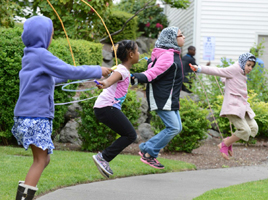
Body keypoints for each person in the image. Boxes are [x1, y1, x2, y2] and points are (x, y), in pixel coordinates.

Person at [11, 16, 112, 200]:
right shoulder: (41, 55)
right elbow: (69, 71)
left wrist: (83, 77)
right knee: (40, 160)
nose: (51, 38)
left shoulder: (31, 55)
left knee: (43, 160)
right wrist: (97, 70)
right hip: (36, 117)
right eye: (51, 34)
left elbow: (54, 78)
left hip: (28, 115)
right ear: (42, 35)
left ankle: (25, 193)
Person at [131, 26, 185, 169]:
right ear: (172, 39)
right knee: (173, 127)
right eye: (180, 35)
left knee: (177, 127)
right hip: (163, 98)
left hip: (171, 99)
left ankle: (149, 151)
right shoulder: (168, 55)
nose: (183, 37)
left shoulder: (172, 53)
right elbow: (152, 74)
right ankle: (148, 150)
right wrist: (134, 78)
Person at [191, 52, 259, 160]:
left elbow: (229, 78)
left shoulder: (242, 72)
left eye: (252, 66)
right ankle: (224, 144)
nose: (250, 68)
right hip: (233, 107)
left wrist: (225, 80)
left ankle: (229, 141)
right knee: (245, 130)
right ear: (242, 63)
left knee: (254, 128)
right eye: (248, 65)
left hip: (243, 107)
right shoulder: (235, 69)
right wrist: (199, 68)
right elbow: (218, 71)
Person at [92, 40, 139, 178]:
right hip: (107, 107)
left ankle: (104, 157)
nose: (139, 53)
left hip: (105, 107)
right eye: (137, 51)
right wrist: (105, 83)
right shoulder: (121, 70)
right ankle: (103, 157)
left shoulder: (123, 70)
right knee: (130, 135)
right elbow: (110, 80)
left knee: (129, 134)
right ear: (131, 54)